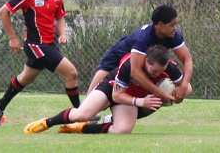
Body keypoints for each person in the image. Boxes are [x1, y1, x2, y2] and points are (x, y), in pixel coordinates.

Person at [0, 0, 81, 126]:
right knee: (71, 73)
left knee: (25, 79)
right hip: (35, 46)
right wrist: (12, 37)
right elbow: (3, 11)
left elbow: (59, 16)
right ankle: (82, 114)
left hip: (49, 45)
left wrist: (62, 34)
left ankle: (0, 104)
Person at [23, 45, 192, 134]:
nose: (157, 73)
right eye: (154, 70)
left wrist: (176, 94)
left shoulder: (168, 67)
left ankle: (81, 129)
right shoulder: (130, 64)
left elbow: (187, 87)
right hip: (112, 90)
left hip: (129, 99)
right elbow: (117, 95)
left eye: (159, 71)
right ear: (146, 61)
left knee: (123, 131)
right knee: (82, 114)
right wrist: (141, 101)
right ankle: (47, 122)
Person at [87, 4, 193, 104]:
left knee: (187, 89)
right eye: (172, 25)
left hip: (137, 65)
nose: (175, 28)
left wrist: (183, 86)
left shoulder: (174, 35)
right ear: (160, 25)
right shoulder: (143, 38)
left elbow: (187, 59)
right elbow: (135, 72)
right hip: (116, 58)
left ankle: (113, 118)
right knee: (92, 97)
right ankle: (80, 117)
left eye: (176, 24)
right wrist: (160, 93)